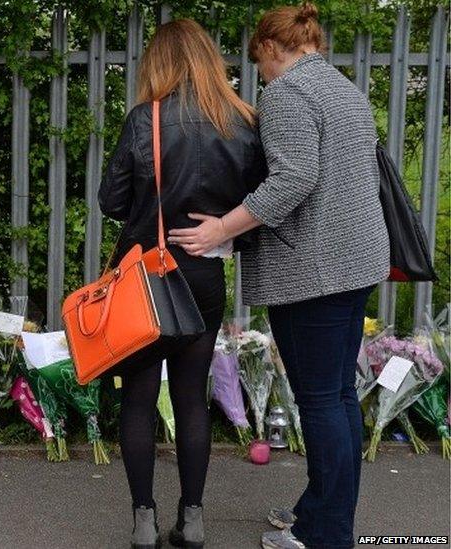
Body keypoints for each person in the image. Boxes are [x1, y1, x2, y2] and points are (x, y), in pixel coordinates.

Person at [167, 4, 390, 549]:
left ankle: (323, 535)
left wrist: (222, 226)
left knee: (320, 401)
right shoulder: (344, 90)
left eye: (257, 61)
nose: (258, 73)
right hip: (355, 259)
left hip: (313, 269)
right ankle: (320, 510)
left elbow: (293, 179)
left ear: (270, 47)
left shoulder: (288, 93)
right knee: (337, 396)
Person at [99, 19, 267, 549]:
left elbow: (112, 201)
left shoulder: (144, 120)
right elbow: (262, 199)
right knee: (193, 397)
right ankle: (192, 519)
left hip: (146, 275)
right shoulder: (242, 121)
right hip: (204, 271)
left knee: (140, 400)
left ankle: (143, 521)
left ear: (160, 61)